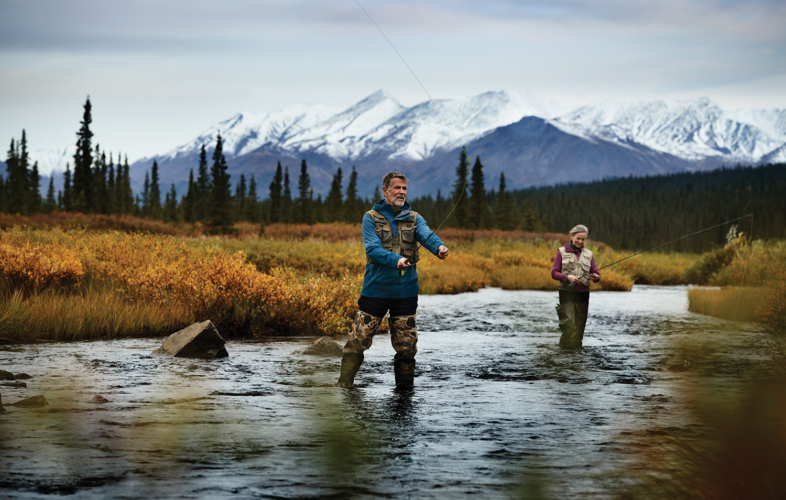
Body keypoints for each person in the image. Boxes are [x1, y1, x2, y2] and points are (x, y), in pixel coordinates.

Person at [338, 171, 449, 388]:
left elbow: (427, 235)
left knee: (407, 348)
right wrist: (396, 260)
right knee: (356, 342)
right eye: (397, 188)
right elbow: (372, 248)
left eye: (404, 189)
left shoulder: (415, 218)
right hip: (374, 291)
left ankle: (404, 395)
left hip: (405, 292)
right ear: (385, 191)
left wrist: (440, 248)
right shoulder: (370, 217)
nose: (401, 192)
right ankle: (343, 386)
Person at [551, 224, 601, 348]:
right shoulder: (561, 252)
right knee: (569, 325)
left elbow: (596, 273)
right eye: (578, 238)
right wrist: (567, 277)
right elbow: (554, 273)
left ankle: (576, 355)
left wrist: (595, 277)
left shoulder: (589, 254)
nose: (580, 241)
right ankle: (564, 352)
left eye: (583, 239)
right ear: (572, 236)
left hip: (583, 294)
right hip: (566, 292)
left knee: (579, 327)